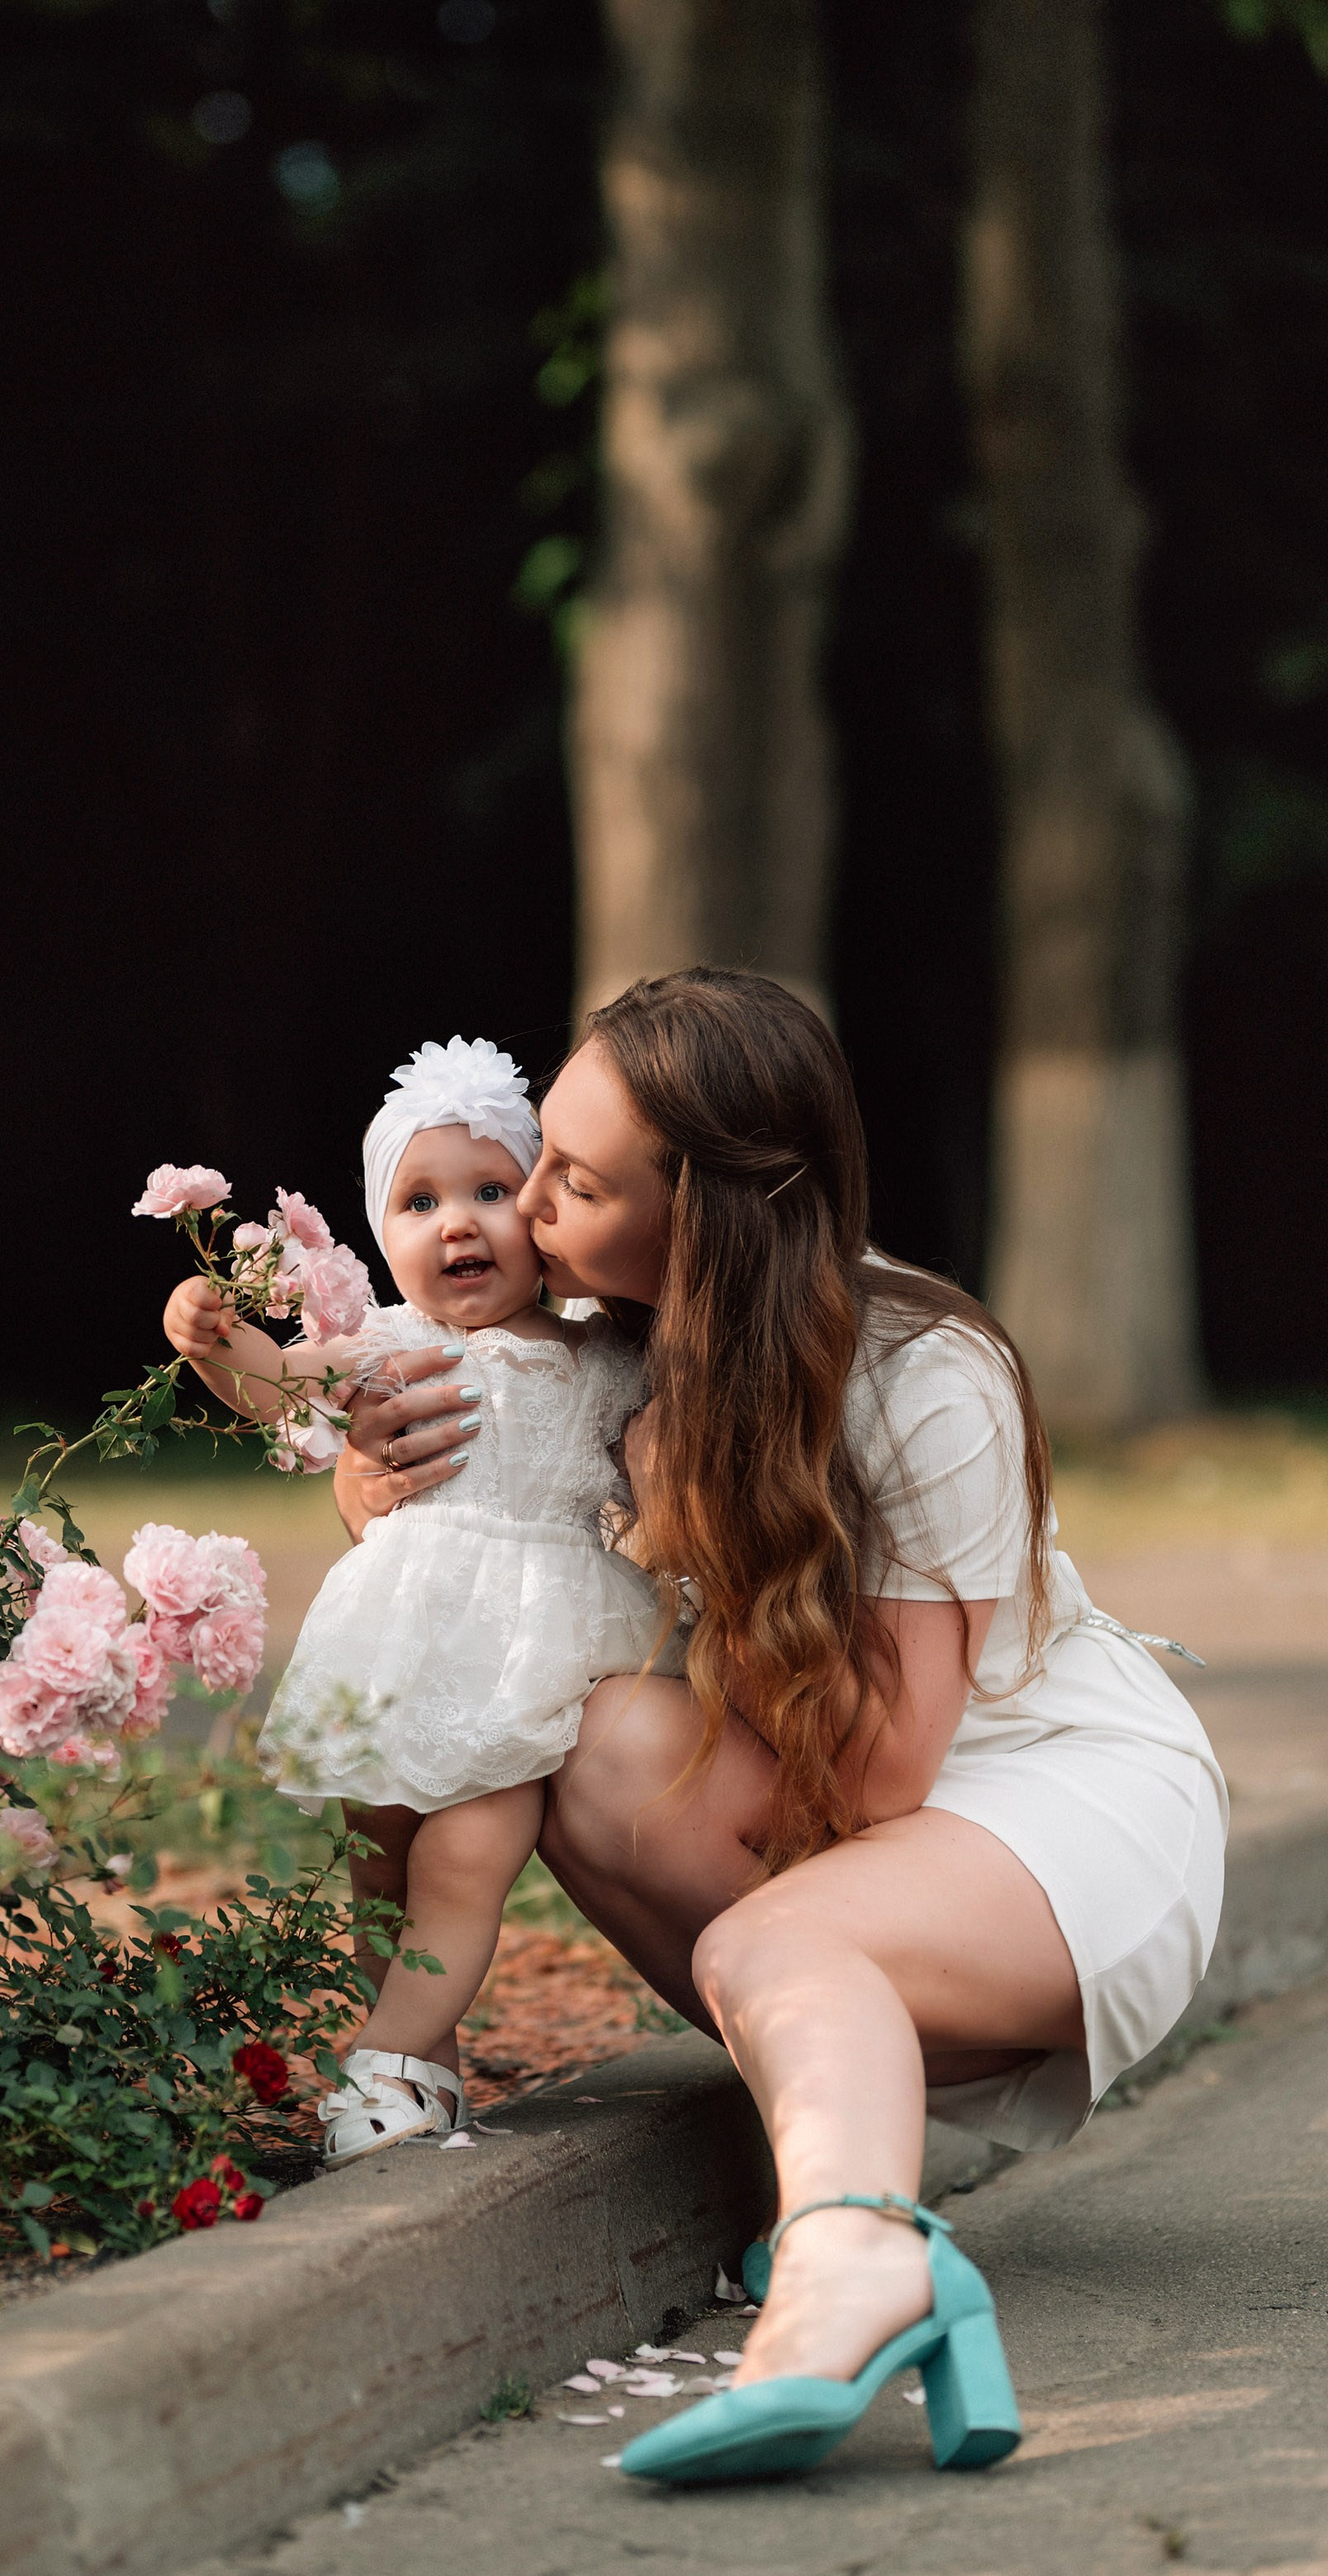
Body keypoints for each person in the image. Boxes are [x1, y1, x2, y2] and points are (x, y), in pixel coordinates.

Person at [333, 967, 1226, 2484]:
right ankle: (856, 2205)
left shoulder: (922, 1374)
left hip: (1050, 1793)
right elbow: (468, 1586)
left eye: (576, 1183)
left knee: (769, 1942)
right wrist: (381, 1495)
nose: (526, 1202)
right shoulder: (614, 1339)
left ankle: (848, 2264)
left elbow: (882, 1776)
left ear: (704, 1220)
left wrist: (688, 1519)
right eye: (542, 1160)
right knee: (589, 1750)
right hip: (852, 1787)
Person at [162, 1037, 677, 2170]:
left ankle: (380, 2061)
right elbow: (279, 1386)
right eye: (420, 1201)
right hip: (400, 1650)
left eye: (492, 1192)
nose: (458, 1225)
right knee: (383, 1872)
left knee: (465, 1858)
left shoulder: (602, 1355)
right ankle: (424, 2067)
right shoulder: (392, 1347)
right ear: (380, 1235)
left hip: (533, 1656)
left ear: (544, 1215)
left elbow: (674, 1452)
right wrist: (210, 1341)